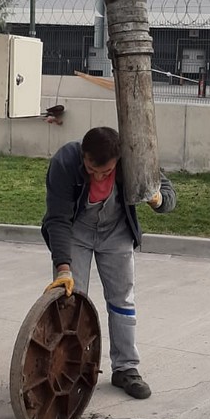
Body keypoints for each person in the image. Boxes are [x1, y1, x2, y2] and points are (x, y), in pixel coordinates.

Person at [41, 127, 176, 399]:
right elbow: (57, 219)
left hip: (116, 232)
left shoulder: (133, 159)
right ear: (84, 156)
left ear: (117, 160)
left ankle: (126, 368)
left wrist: (157, 198)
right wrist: (63, 269)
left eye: (106, 171)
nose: (98, 176)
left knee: (122, 300)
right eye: (92, 170)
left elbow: (169, 198)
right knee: (71, 300)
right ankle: (71, 369)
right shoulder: (65, 162)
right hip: (77, 230)